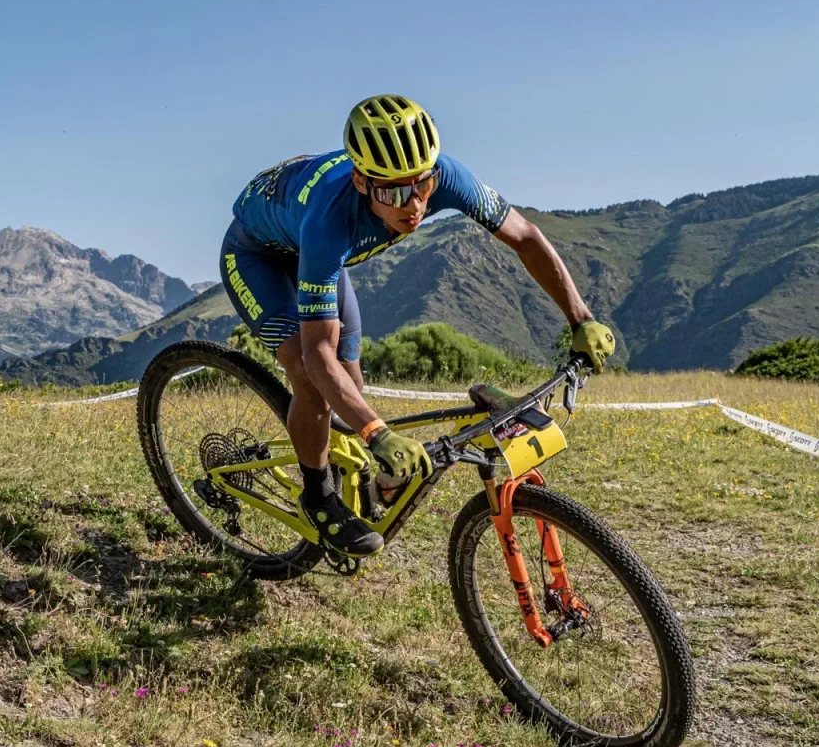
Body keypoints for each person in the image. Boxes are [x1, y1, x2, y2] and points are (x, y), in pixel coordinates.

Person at [219, 95, 615, 558]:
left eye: (421, 186)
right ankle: (317, 495)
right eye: (393, 193)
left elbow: (524, 236)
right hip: (259, 256)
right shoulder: (330, 220)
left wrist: (581, 319)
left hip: (316, 251)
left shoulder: (444, 175)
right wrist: (377, 434)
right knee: (312, 379)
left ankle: (357, 473)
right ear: (362, 182)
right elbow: (316, 356)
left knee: (352, 382)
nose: (413, 206)